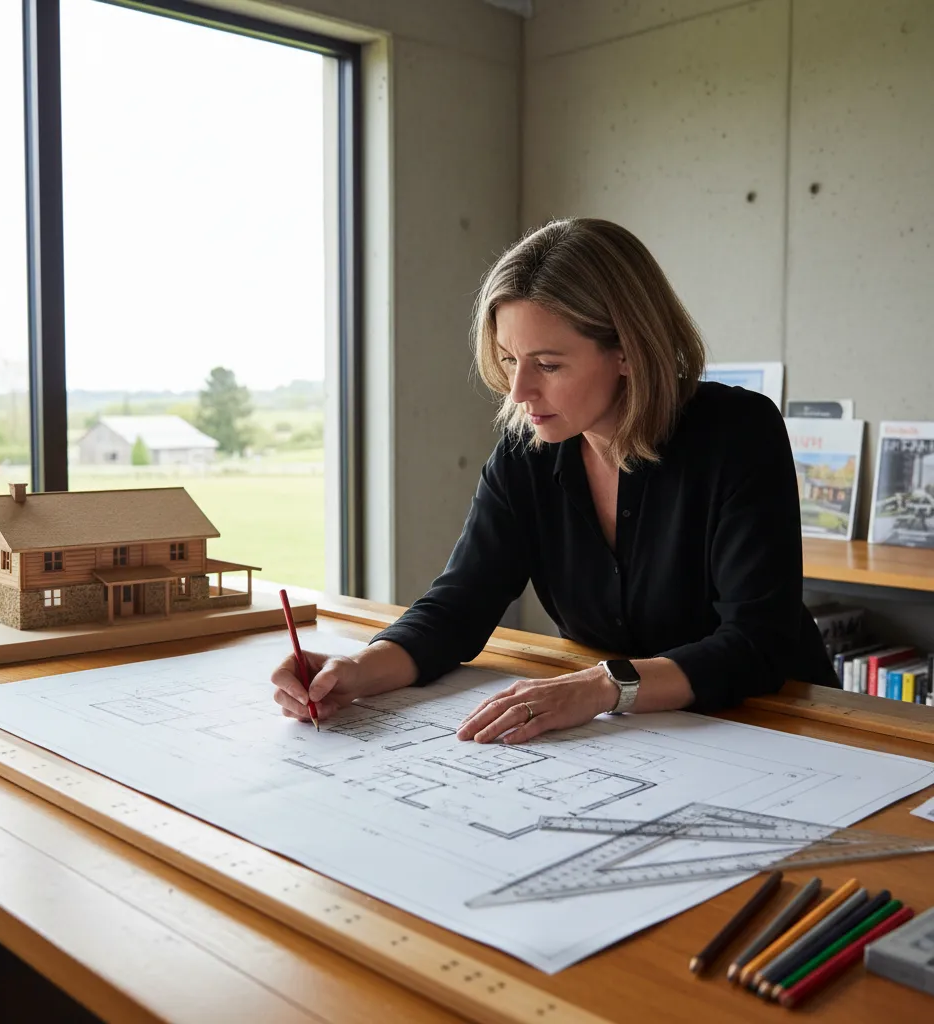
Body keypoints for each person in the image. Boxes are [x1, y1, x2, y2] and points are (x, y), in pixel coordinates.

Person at [270, 218, 837, 745]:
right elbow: (459, 606)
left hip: (783, 725)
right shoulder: (528, 454)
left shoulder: (738, 431)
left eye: (547, 364)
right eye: (508, 358)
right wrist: (355, 671)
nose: (518, 392)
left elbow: (757, 641)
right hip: (645, 738)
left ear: (628, 352)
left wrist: (601, 687)